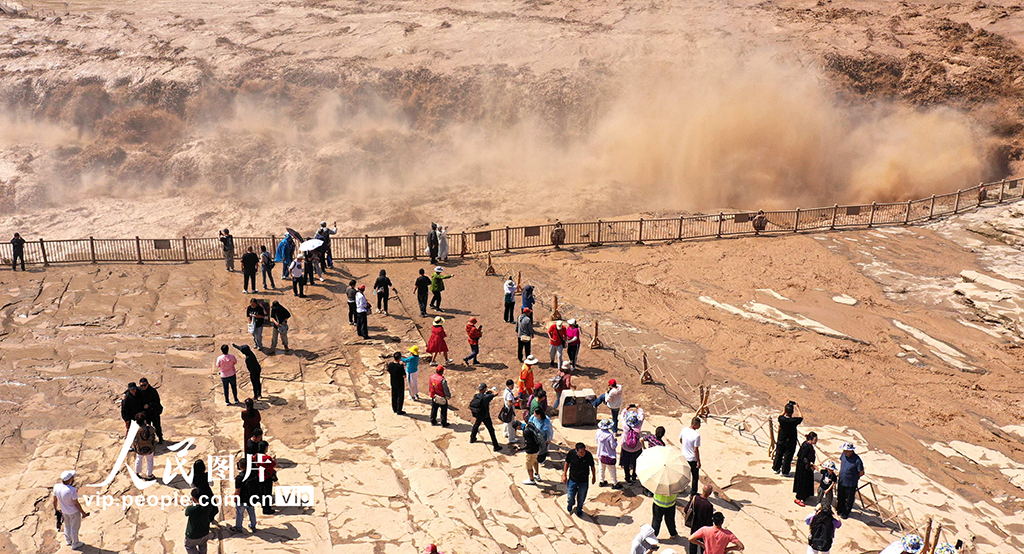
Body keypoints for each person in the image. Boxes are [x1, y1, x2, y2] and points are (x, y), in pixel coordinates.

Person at [53, 470, 89, 549]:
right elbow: (76, 503)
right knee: (74, 527)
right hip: (73, 512)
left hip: (64, 511)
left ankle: (68, 540)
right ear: (70, 479)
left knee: (67, 525)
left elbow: (54, 500)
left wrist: (56, 509)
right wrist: (83, 513)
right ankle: (75, 543)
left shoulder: (56, 486)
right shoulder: (72, 490)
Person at [563, 442, 596, 517]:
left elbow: (592, 466)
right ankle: (570, 504)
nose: (583, 453)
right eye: (581, 452)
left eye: (584, 451)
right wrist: (564, 474)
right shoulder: (571, 453)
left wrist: (594, 477)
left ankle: (579, 508)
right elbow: (567, 463)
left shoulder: (588, 455)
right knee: (570, 495)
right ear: (577, 451)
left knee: (581, 497)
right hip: (573, 479)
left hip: (583, 481)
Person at [773, 401, 803, 476]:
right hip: (790, 441)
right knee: (788, 456)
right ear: (792, 412)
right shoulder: (794, 421)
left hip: (781, 440)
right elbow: (801, 417)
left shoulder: (781, 419)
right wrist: (798, 408)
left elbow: (781, 415)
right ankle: (785, 471)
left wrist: (785, 409)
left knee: (779, 454)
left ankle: (776, 468)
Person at [469, 383, 502, 451]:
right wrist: (491, 390)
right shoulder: (486, 397)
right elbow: (496, 393)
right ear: (484, 389)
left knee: (476, 425)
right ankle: (496, 446)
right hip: (485, 416)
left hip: (478, 414)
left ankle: (472, 438)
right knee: (491, 430)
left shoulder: (476, 396)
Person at [837, 442, 864, 519]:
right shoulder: (843, 455)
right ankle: (839, 509)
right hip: (842, 480)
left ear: (851, 451)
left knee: (849, 499)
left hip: (851, 483)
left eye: (846, 451)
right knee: (840, 496)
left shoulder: (857, 460)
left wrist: (854, 478)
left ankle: (846, 512)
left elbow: (861, 472)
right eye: (844, 450)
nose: (845, 452)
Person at [184, 487, 216, 554]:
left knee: (189, 546)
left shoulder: (191, 509)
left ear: (193, 498)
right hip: (205, 532)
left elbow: (186, 513)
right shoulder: (208, 504)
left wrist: (193, 504)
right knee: (203, 545)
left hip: (193, 534)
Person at [685, 484, 715, 554]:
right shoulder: (709, 506)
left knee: (693, 542)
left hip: (694, 525)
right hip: (703, 529)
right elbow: (709, 521)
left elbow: (686, 509)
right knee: (703, 545)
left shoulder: (694, 498)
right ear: (710, 493)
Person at [232, 457, 260, 532]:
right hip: (251, 497)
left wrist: (235, 498)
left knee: (240, 513)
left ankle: (238, 527)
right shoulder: (253, 474)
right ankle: (253, 525)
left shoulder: (239, 477)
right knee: (251, 511)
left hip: (242, 499)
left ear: (240, 466)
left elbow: (238, 490)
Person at [620, 405, 646, 483]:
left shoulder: (625, 425)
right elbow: (642, 416)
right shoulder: (638, 426)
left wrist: (626, 408)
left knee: (626, 463)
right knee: (636, 462)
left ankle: (627, 478)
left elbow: (622, 415)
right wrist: (639, 408)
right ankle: (634, 475)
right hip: (637, 448)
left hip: (625, 447)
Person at [794, 432, 819, 507]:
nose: (816, 441)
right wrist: (809, 464)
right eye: (815, 439)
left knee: (807, 482)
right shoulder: (805, 446)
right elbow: (802, 457)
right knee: (802, 482)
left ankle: (806, 495)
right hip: (803, 468)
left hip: (807, 468)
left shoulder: (809, 445)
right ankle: (799, 498)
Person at [595, 418, 620, 489]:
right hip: (609, 455)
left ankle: (601, 481)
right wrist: (615, 441)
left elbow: (596, 440)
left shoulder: (598, 432)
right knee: (612, 470)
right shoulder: (610, 435)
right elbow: (613, 446)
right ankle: (614, 483)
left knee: (601, 468)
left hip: (600, 454)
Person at [254, 441, 278, 514]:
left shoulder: (256, 456)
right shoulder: (267, 458)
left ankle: (263, 505)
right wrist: (273, 459)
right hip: (267, 477)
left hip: (260, 475)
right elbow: (274, 464)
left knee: (261, 491)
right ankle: (267, 509)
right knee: (267, 493)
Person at [680, 417, 702, 495]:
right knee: (695, 477)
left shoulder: (684, 429)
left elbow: (681, 440)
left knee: (683, 474)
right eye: (699, 424)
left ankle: (680, 488)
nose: (700, 426)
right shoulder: (696, 436)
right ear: (695, 424)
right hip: (692, 459)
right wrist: (699, 462)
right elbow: (696, 450)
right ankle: (693, 493)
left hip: (684, 456)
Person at [529, 407, 553, 477]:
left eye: (535, 413)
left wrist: (549, 439)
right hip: (535, 438)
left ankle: (541, 460)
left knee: (542, 451)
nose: (533, 414)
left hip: (543, 439)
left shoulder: (546, 421)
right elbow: (530, 423)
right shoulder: (533, 417)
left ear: (539, 414)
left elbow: (549, 431)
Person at [132, 413, 157, 480]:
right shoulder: (150, 428)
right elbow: (154, 432)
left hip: (139, 448)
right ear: (144, 421)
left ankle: (137, 472)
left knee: (139, 459)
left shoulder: (135, 430)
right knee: (150, 461)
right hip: (149, 447)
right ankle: (149, 474)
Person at [521, 416, 543, 485]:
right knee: (535, 462)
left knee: (529, 466)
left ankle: (531, 479)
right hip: (537, 449)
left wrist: (520, 449)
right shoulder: (532, 425)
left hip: (530, 451)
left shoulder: (526, 431)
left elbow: (528, 444)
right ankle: (537, 474)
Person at [502, 380, 518, 445]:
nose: (513, 386)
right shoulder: (509, 393)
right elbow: (509, 403)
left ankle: (505, 433)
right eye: (512, 385)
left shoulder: (506, 391)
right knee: (511, 424)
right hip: (510, 411)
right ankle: (511, 438)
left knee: (506, 422)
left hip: (506, 410)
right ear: (509, 385)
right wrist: (516, 402)